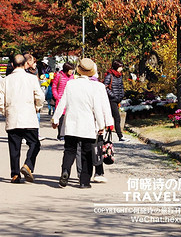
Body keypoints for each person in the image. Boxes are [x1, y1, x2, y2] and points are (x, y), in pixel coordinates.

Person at [52, 58, 108, 188]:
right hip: (87, 125)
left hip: (71, 124)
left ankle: (65, 171)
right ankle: (84, 181)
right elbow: (97, 108)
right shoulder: (93, 87)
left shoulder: (71, 84)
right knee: (86, 153)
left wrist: (55, 119)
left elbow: (62, 102)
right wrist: (101, 125)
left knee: (69, 150)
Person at [0, 54, 45, 183]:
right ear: (25, 64)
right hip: (29, 116)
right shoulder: (32, 79)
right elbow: (40, 96)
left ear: (12, 65)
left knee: (14, 148)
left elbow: (0, 102)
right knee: (35, 143)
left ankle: (15, 174)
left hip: (13, 117)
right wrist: (37, 107)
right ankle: (28, 164)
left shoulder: (5, 80)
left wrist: (6, 112)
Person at [104, 59, 129, 142]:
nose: (121, 68)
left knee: (115, 117)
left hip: (117, 99)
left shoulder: (120, 76)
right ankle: (119, 135)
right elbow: (105, 87)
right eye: (120, 67)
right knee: (116, 117)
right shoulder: (109, 75)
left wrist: (121, 95)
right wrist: (113, 95)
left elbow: (121, 86)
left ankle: (117, 135)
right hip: (112, 100)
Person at [52, 63, 75, 140]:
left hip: (69, 100)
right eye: (71, 69)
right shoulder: (59, 76)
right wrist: (57, 96)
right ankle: (61, 135)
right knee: (60, 118)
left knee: (68, 118)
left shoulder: (72, 77)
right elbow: (54, 86)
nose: (72, 71)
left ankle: (66, 134)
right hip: (60, 99)